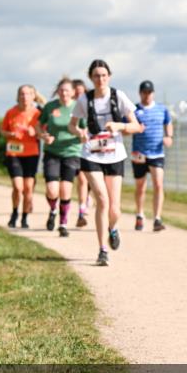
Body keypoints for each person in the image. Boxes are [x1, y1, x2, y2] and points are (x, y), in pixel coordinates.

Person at [68, 59, 142, 266]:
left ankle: (113, 228)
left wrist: (119, 125)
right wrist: (80, 132)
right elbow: (71, 125)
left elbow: (137, 126)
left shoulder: (119, 97)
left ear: (109, 76)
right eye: (96, 76)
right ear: (91, 78)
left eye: (103, 75)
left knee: (114, 209)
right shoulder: (85, 99)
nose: (100, 79)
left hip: (115, 155)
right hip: (91, 154)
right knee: (102, 199)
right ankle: (102, 250)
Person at [39, 77, 83, 237]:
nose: (64, 93)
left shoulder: (78, 108)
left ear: (73, 92)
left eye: (67, 90)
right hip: (52, 152)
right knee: (52, 190)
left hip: (71, 152)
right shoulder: (50, 107)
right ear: (57, 91)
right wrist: (44, 136)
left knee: (65, 190)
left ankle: (63, 223)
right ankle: (52, 209)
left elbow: (84, 129)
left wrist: (82, 135)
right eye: (61, 90)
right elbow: (39, 126)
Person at [131, 80, 174, 231]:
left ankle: (157, 218)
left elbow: (168, 122)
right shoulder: (134, 110)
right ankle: (139, 214)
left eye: (149, 92)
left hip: (156, 153)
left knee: (158, 184)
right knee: (140, 186)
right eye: (144, 92)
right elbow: (125, 127)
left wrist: (169, 136)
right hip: (139, 153)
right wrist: (135, 128)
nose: (147, 95)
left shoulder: (162, 109)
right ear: (140, 93)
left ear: (153, 93)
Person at [0, 85, 41, 228]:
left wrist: (35, 132)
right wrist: (10, 134)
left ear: (33, 96)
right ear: (18, 96)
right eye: (22, 94)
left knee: (28, 188)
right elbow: (2, 130)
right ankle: (14, 212)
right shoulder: (11, 112)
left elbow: (43, 132)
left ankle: (24, 218)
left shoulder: (37, 114)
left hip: (31, 153)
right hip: (14, 153)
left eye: (28, 94)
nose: (25, 97)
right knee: (18, 187)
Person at [71, 79, 91, 228]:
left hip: (84, 148)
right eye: (76, 92)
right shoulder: (68, 108)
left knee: (83, 180)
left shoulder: (88, 107)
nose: (78, 95)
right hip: (69, 150)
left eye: (81, 92)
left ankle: (81, 212)